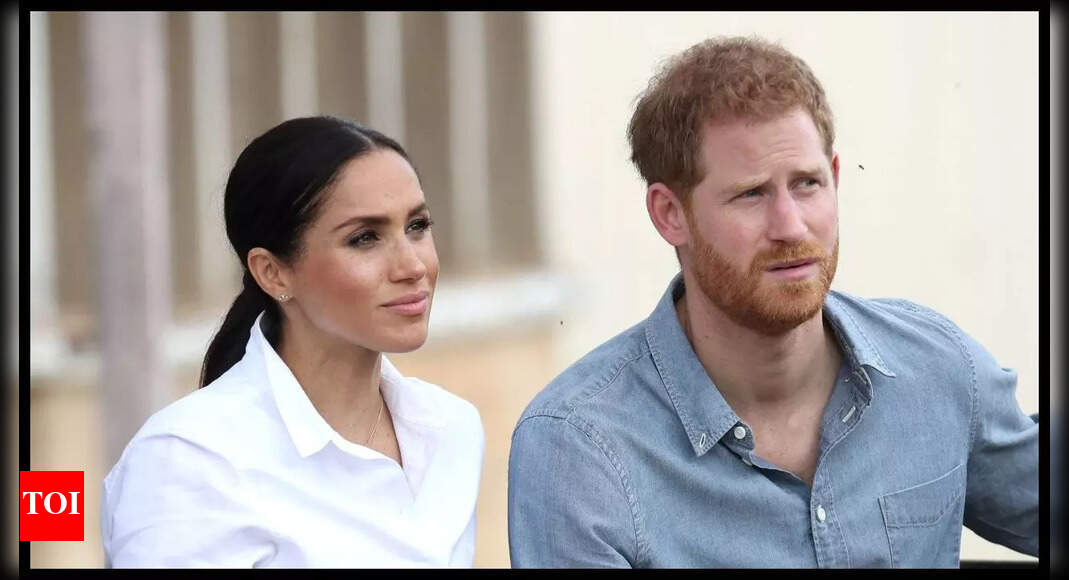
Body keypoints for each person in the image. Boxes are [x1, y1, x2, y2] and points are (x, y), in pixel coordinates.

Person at [507, 36, 1038, 568]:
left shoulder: (938, 370)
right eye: (751, 194)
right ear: (670, 214)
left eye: (807, 184)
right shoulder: (580, 449)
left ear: (835, 177)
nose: (791, 226)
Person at [101, 117, 484, 567]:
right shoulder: (190, 462)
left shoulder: (450, 428)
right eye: (365, 238)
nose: (412, 265)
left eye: (417, 226)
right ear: (273, 272)